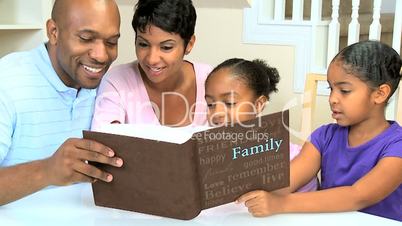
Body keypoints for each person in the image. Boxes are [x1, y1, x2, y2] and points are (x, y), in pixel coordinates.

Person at [236, 41, 402, 221]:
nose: (332, 99)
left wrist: (280, 204)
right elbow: (286, 180)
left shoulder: (397, 145)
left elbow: (358, 195)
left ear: (380, 94)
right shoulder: (324, 136)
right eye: (331, 88)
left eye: (344, 91)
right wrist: (237, 181)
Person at [0, 0, 123, 205]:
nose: (101, 56)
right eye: (86, 38)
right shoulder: (7, 81)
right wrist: (46, 171)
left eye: (111, 42)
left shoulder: (110, 86)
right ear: (54, 32)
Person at [91, 0, 212, 130]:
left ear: (189, 44)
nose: (152, 59)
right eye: (143, 44)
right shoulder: (117, 81)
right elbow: (104, 142)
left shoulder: (209, 79)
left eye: (166, 47)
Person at [205, 58, 317, 192]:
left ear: (258, 105)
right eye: (210, 104)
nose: (216, 113)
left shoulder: (292, 159)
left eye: (230, 102)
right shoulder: (208, 151)